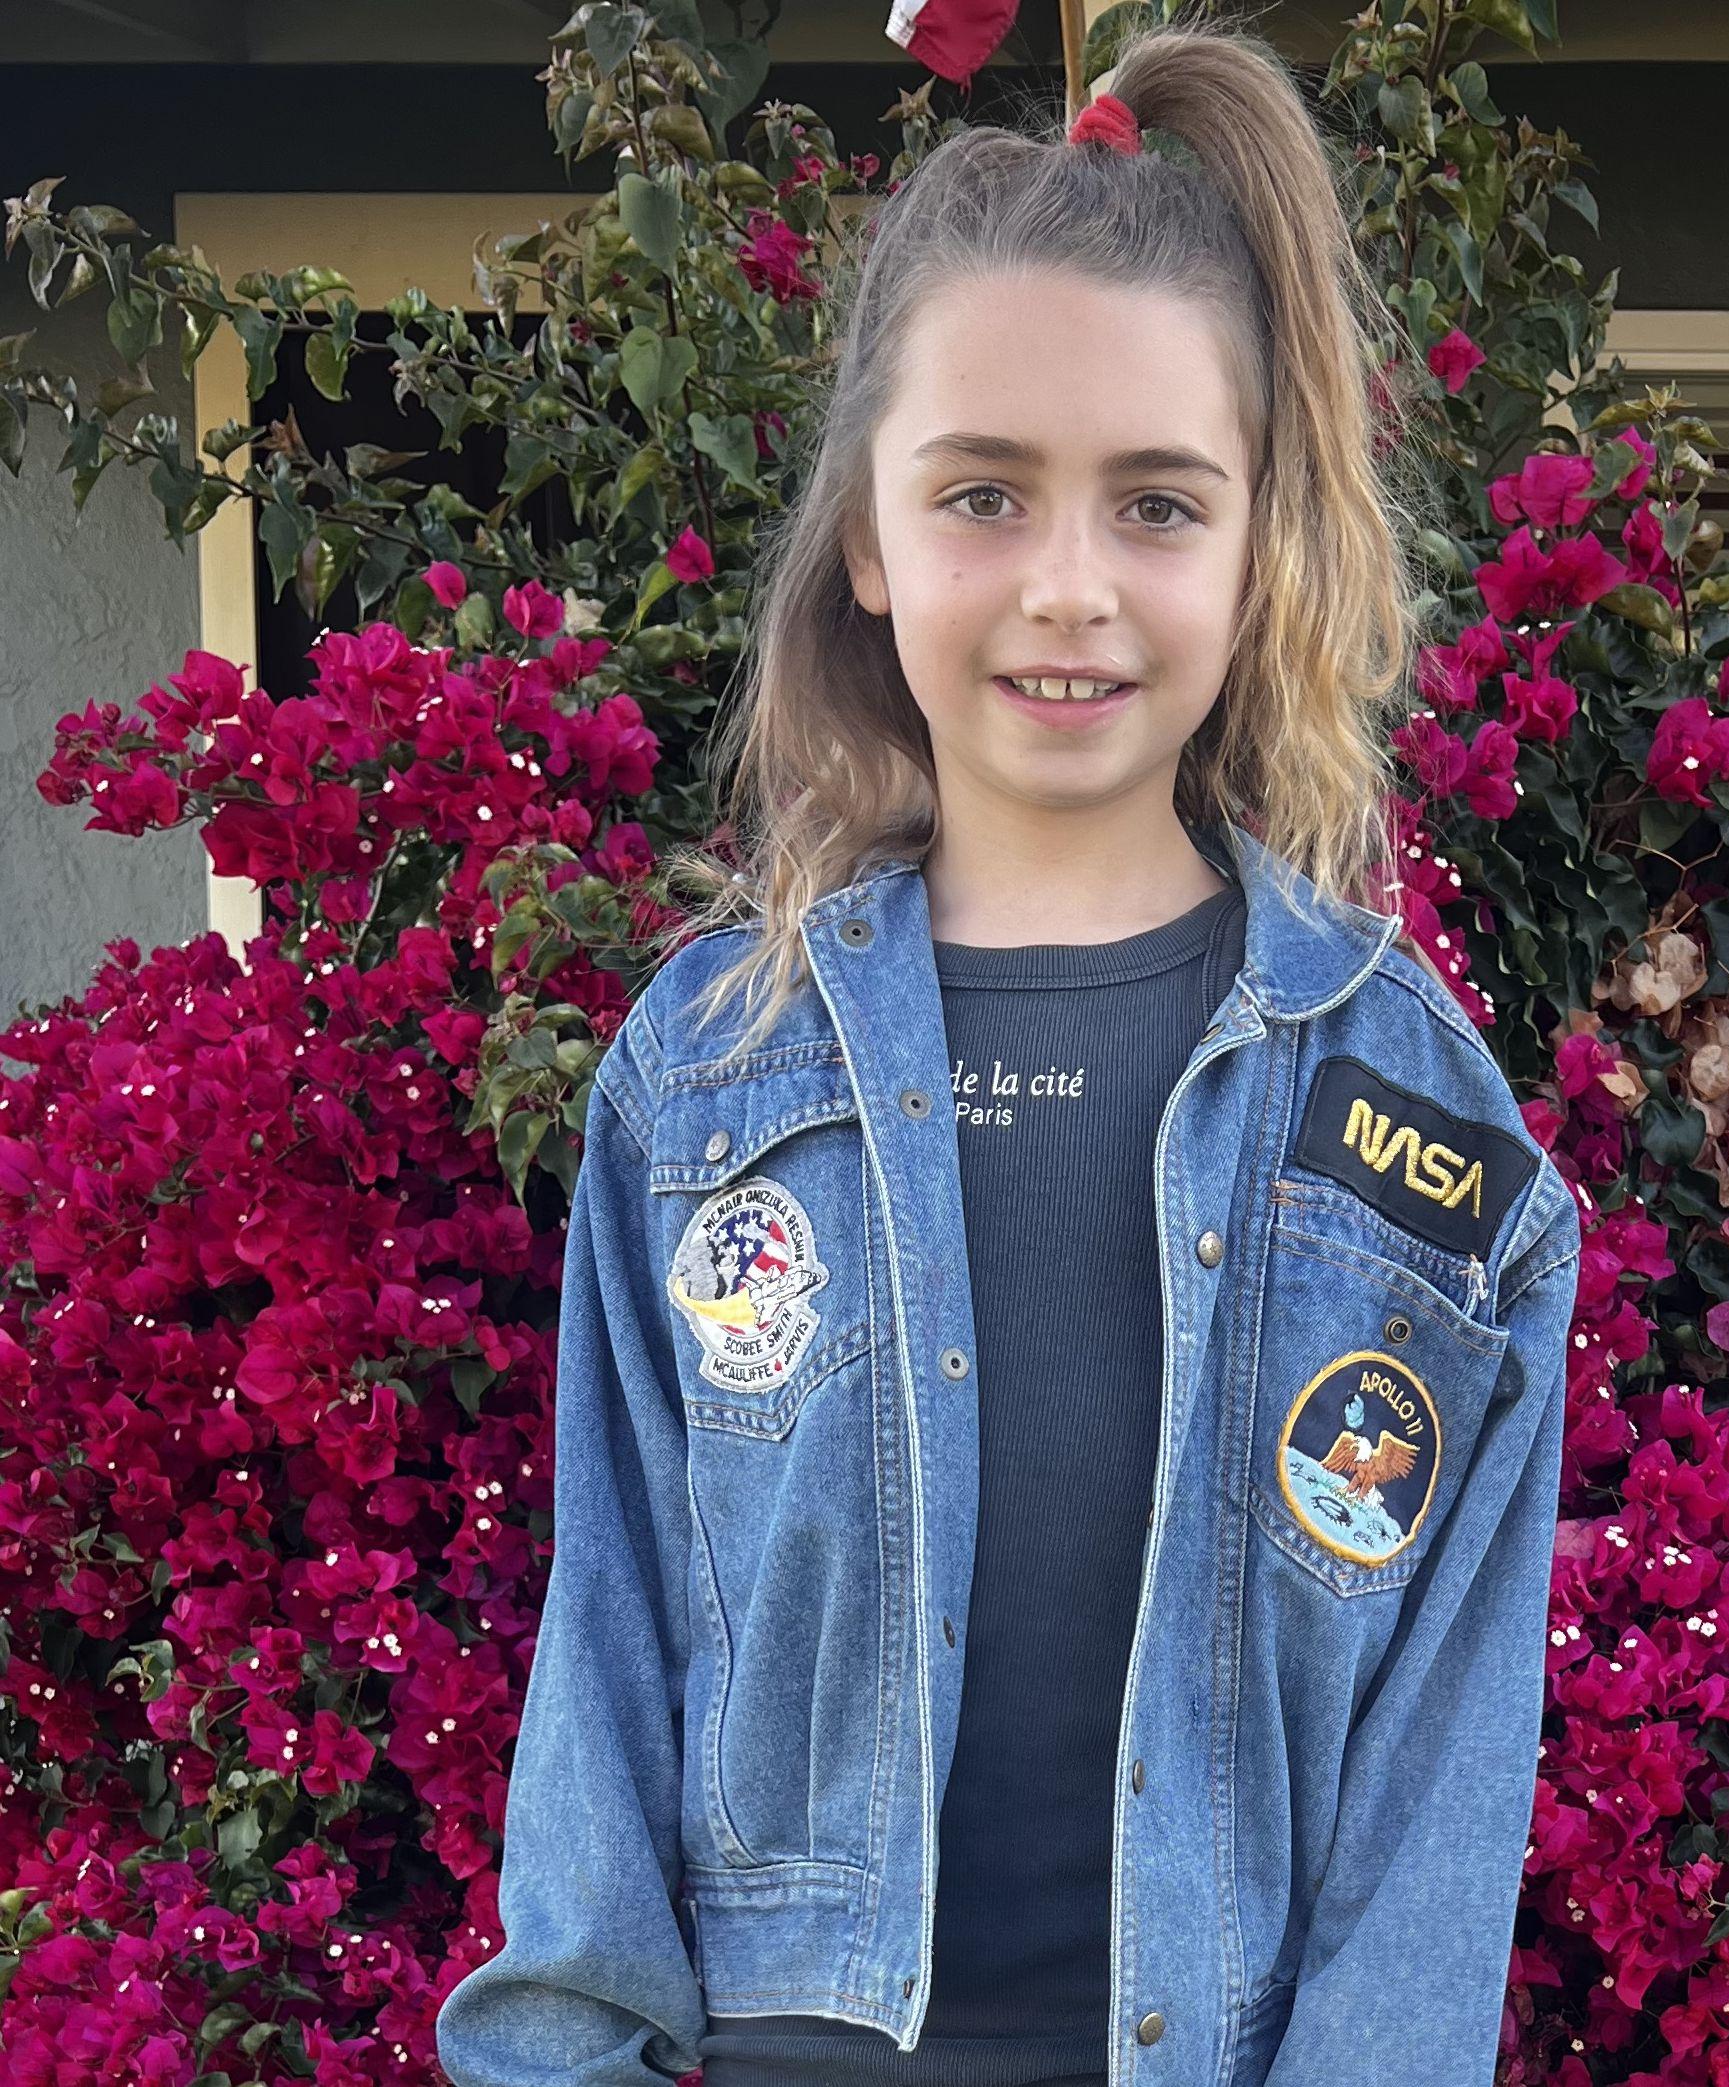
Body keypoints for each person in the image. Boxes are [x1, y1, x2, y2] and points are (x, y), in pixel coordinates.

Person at [433, 18, 1583, 2087]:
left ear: (1254, 547)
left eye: (1156, 505)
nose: (1068, 589)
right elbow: (606, 1644)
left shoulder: (1413, 1118)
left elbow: (1436, 1786)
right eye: (981, 495)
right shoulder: (707, 1074)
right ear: (867, 543)